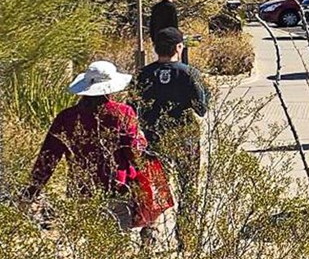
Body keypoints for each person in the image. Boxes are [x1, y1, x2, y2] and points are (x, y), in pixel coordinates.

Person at [20, 61, 147, 229]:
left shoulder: (66, 117)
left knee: (87, 242)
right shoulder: (122, 113)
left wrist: (31, 191)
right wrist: (142, 143)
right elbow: (134, 152)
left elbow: (48, 158)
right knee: (118, 243)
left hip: (81, 190)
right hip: (118, 187)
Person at [136, 27, 208, 241]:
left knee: (153, 187)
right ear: (179, 47)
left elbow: (133, 107)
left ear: (155, 48)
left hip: (153, 137)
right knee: (188, 186)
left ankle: (150, 232)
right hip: (184, 136)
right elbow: (201, 108)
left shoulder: (143, 74)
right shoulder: (189, 73)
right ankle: (186, 236)